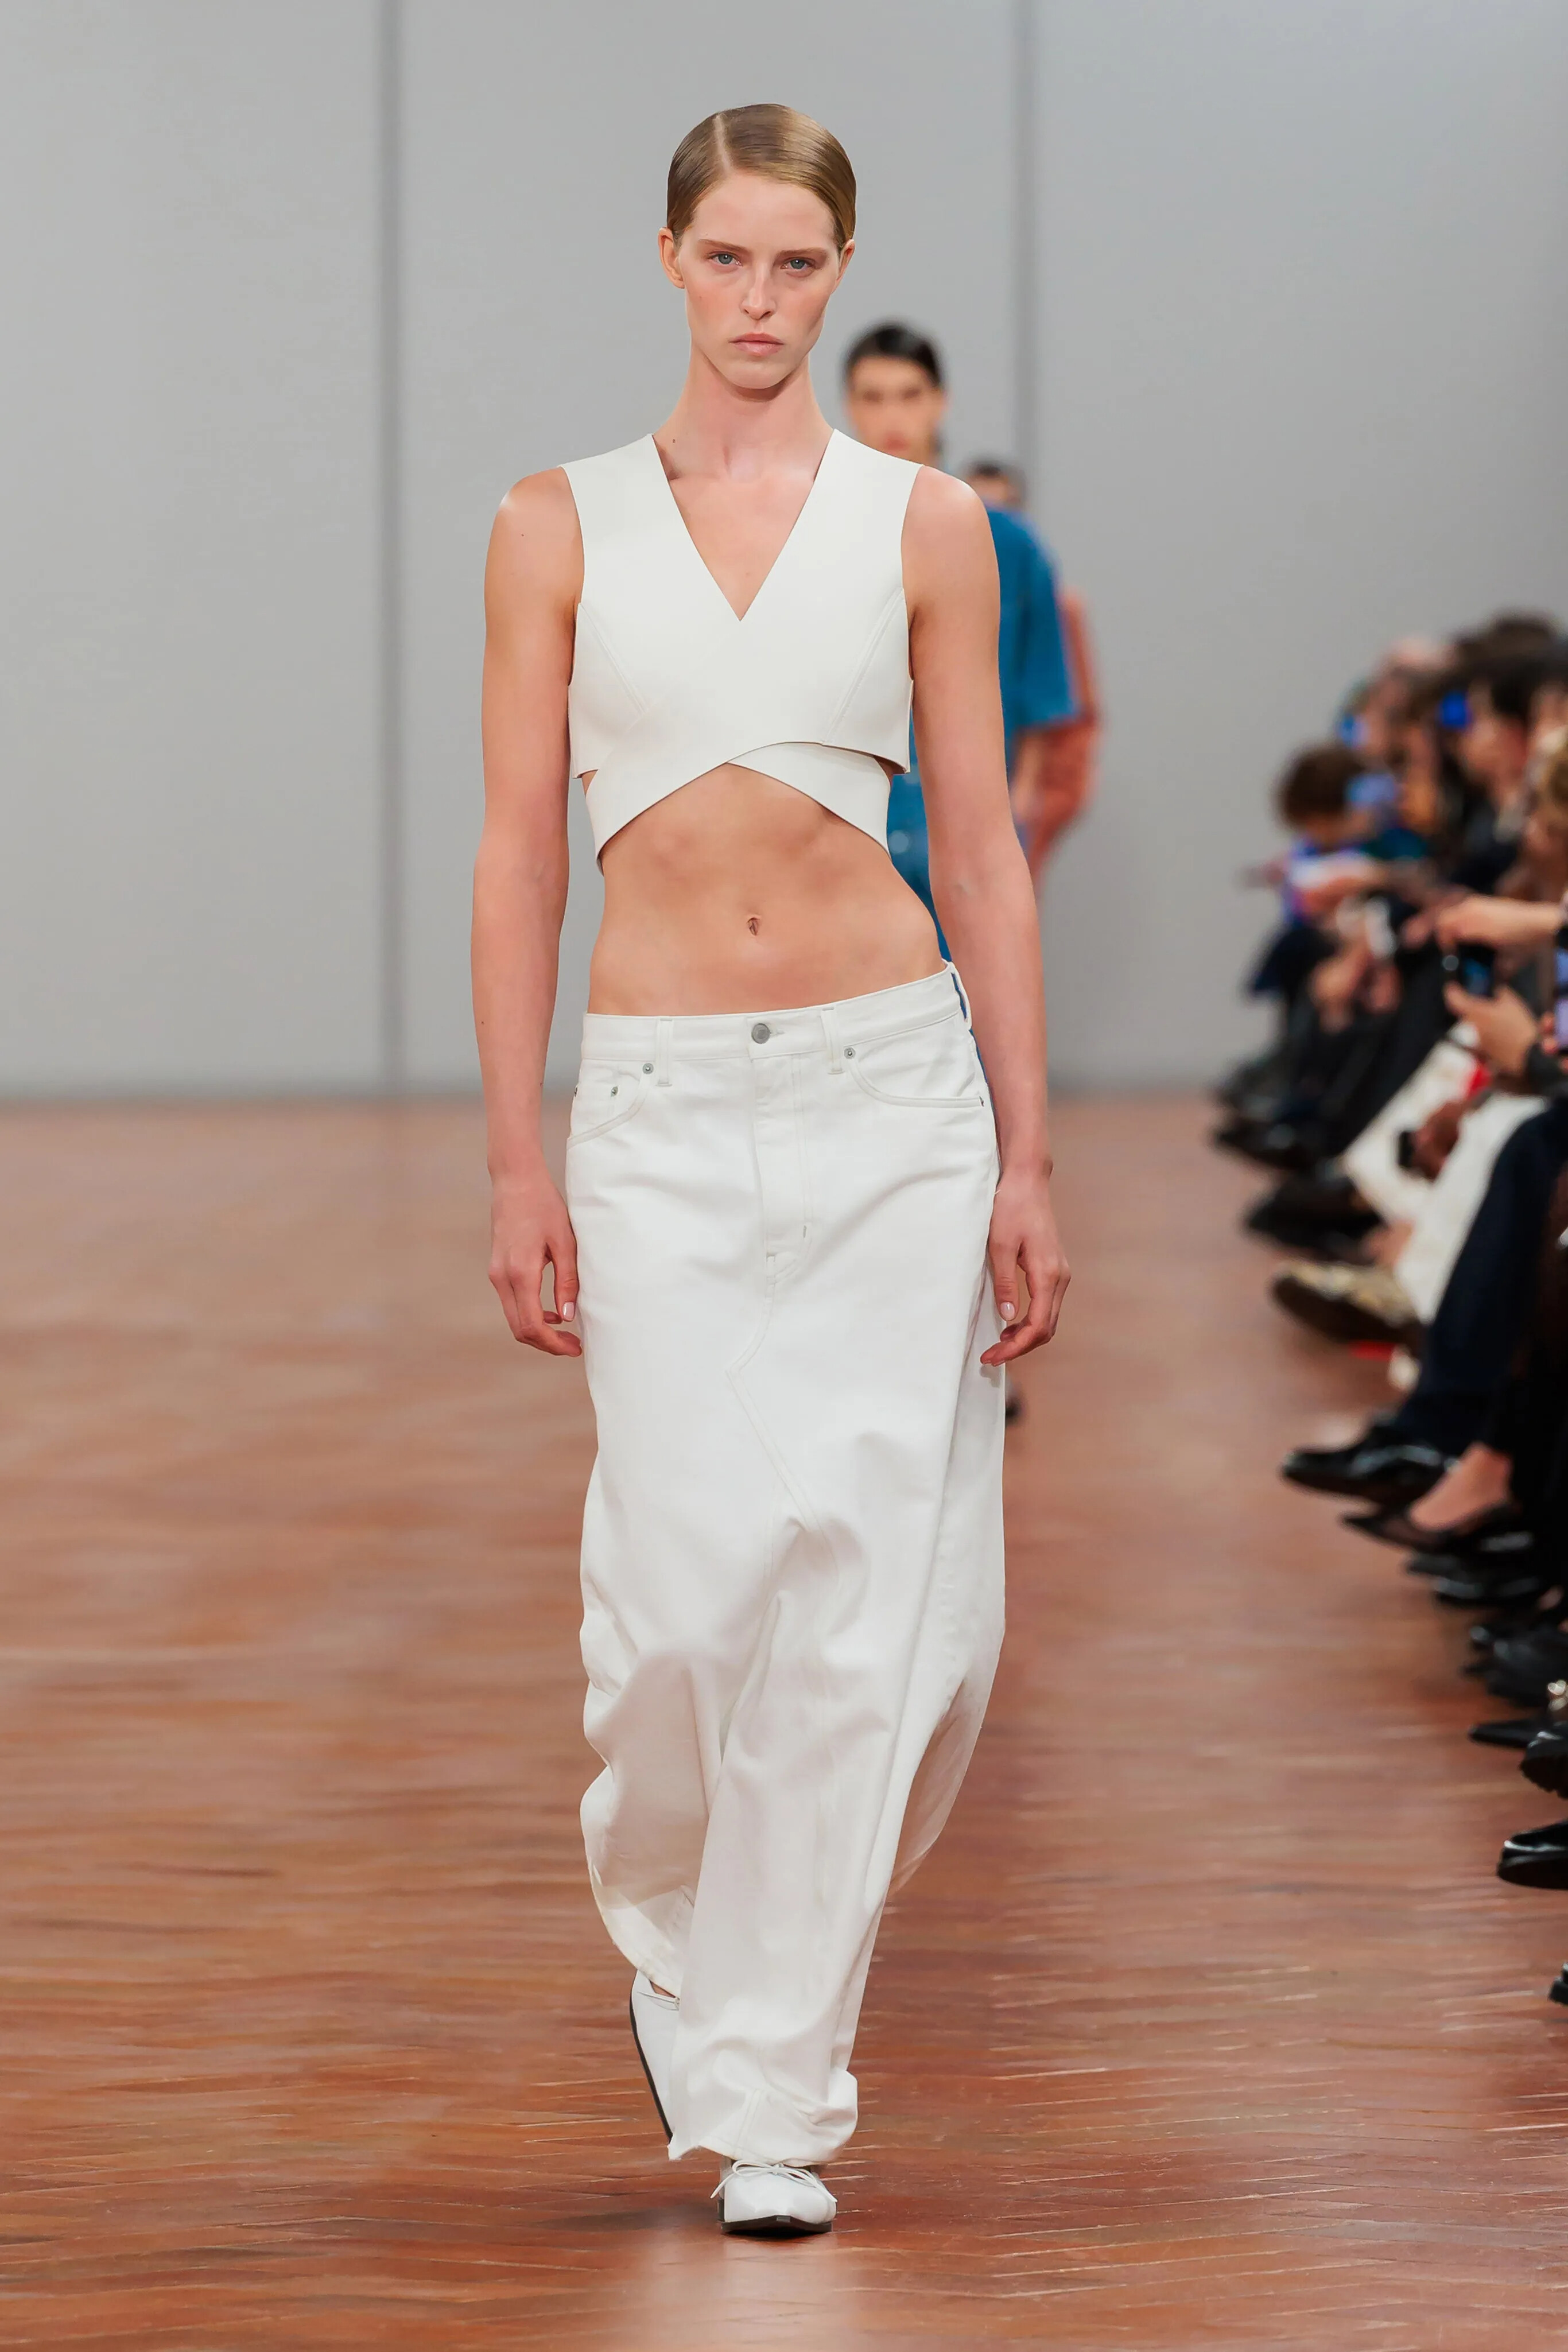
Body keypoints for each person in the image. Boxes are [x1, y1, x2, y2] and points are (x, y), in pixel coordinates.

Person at [472, 104, 1068, 2239]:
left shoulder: (930, 524)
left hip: (891, 1091)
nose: (757, 298)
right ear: (668, 259)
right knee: (677, 1600)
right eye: (724, 257)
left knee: (876, 1613)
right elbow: (519, 857)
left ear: (839, 271)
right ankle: (681, 1953)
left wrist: (1024, 1153)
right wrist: (515, 1155)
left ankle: (775, 2093)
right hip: (651, 1107)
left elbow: (980, 848)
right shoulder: (554, 522)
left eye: (793, 263)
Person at [841, 325, 1078, 914]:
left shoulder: (1008, 546)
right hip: (850, 832)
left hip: (969, 827)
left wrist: (1018, 810)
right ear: (849, 406)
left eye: (909, 395)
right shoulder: (819, 540)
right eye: (873, 397)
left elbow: (1043, 696)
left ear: (939, 401)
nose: (892, 416)